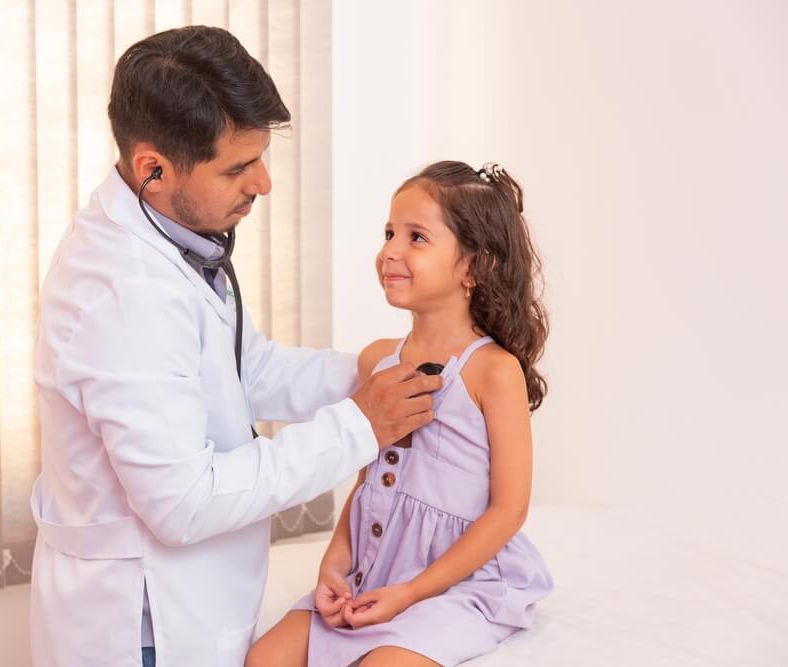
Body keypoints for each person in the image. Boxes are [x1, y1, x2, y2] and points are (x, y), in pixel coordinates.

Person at [28, 26, 443, 667]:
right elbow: (184, 501)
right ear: (152, 170)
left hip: (192, 604)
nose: (265, 184)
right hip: (144, 632)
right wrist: (363, 423)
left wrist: (361, 372)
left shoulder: (172, 236)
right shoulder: (122, 294)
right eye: (238, 168)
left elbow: (242, 367)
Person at [248, 161, 555, 667]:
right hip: (379, 572)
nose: (390, 249)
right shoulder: (377, 360)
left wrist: (412, 592)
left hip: (459, 583)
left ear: (473, 267)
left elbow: (509, 510)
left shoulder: (494, 372)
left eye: (416, 237)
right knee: (265, 658)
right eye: (389, 232)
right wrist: (336, 563)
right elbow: (372, 482)